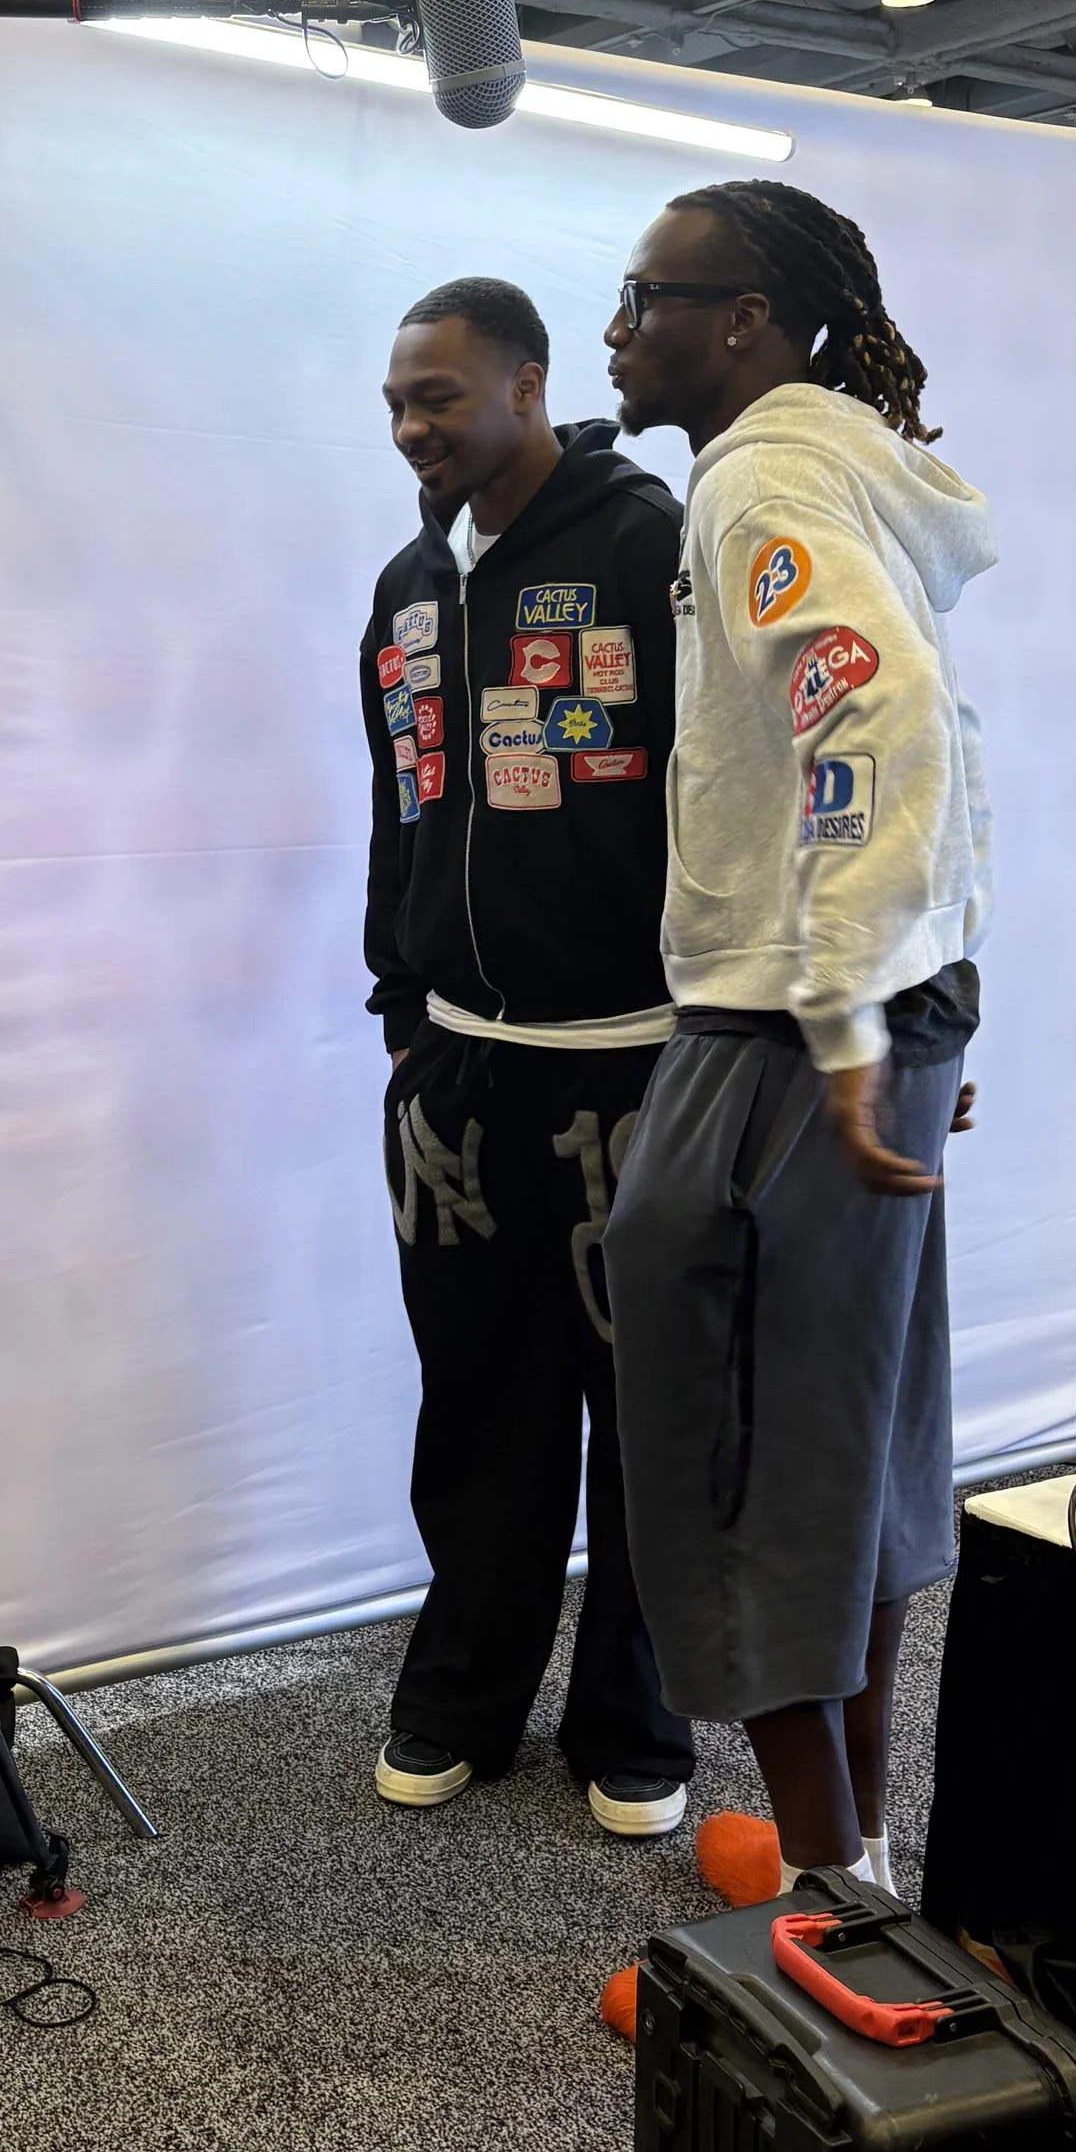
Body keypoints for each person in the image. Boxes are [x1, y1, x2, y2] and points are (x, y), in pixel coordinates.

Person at [598, 181, 992, 1912]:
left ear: (743, 320)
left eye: (644, 296)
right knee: (849, 1426)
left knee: (731, 1438)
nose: (617, 328)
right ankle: (866, 1858)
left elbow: (877, 705)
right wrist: (899, 992)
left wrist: (845, 1006)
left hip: (786, 1015)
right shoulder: (835, 460)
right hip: (855, 997)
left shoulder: (758, 469)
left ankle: (835, 1898)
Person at [361, 277, 695, 1837]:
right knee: (479, 1398)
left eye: (441, 395)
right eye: (398, 406)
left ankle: (635, 1710)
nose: (416, 427)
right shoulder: (408, 587)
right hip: (462, 1071)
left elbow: (730, 802)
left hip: (636, 1059)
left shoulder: (650, 547)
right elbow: (402, 806)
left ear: (528, 383)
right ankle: (464, 1687)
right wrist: (401, 1004)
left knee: (643, 1407)